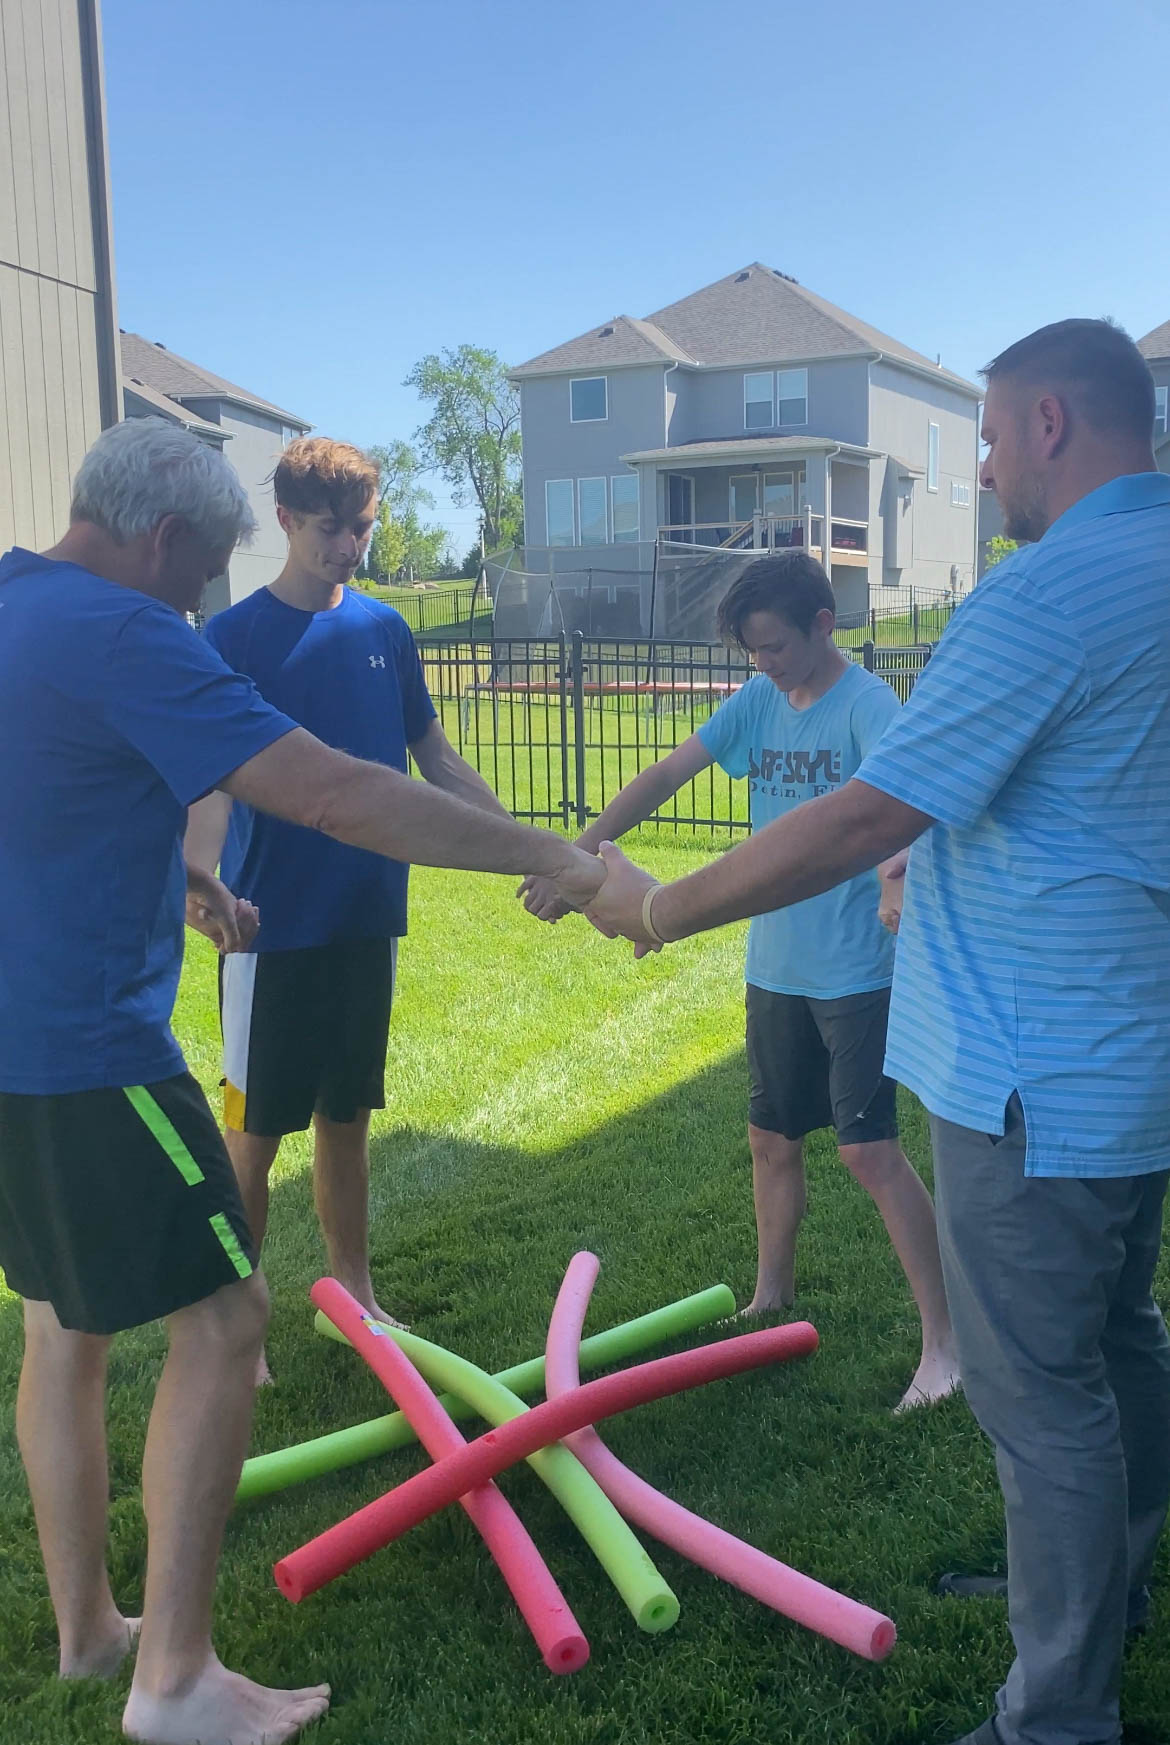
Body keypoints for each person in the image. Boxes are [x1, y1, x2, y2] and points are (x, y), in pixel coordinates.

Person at [583, 320, 1170, 1745]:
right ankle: (1099, 1601)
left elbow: (862, 816)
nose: (974, 466)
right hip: (1131, 1066)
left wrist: (659, 908)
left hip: (1032, 1083)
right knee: (1117, 1341)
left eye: (978, 436)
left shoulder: (1049, 593)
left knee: (1041, 1409)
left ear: (1044, 422)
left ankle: (1054, 1713)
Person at [0, 417, 599, 1745]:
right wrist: (552, 855)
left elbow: (51, 791)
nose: (198, 598)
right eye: (197, 569)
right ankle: (176, 1686)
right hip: (88, 1055)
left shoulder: (13, 602)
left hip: (8, 1054)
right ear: (164, 541)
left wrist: (187, 876)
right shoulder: (127, 624)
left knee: (63, 1331)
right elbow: (334, 792)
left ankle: (95, 1630)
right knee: (224, 1321)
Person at [520, 552, 956, 1410]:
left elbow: (910, 808)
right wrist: (575, 859)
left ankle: (947, 1344)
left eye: (775, 648)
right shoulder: (759, 701)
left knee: (870, 1151)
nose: (764, 664)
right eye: (752, 651)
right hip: (776, 967)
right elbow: (662, 776)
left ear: (822, 625)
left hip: (857, 973)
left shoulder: (870, 706)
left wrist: (894, 877)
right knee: (771, 1141)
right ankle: (771, 1295)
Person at [185, 438, 514, 1383]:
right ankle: (241, 1322)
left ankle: (356, 1289)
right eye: (331, 528)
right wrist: (204, 877)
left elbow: (438, 762)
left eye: (362, 526)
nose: (349, 545)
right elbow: (209, 779)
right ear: (286, 520)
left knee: (346, 1117)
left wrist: (535, 851)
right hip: (266, 929)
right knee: (254, 1130)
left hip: (367, 915)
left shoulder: (385, 631)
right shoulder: (233, 639)